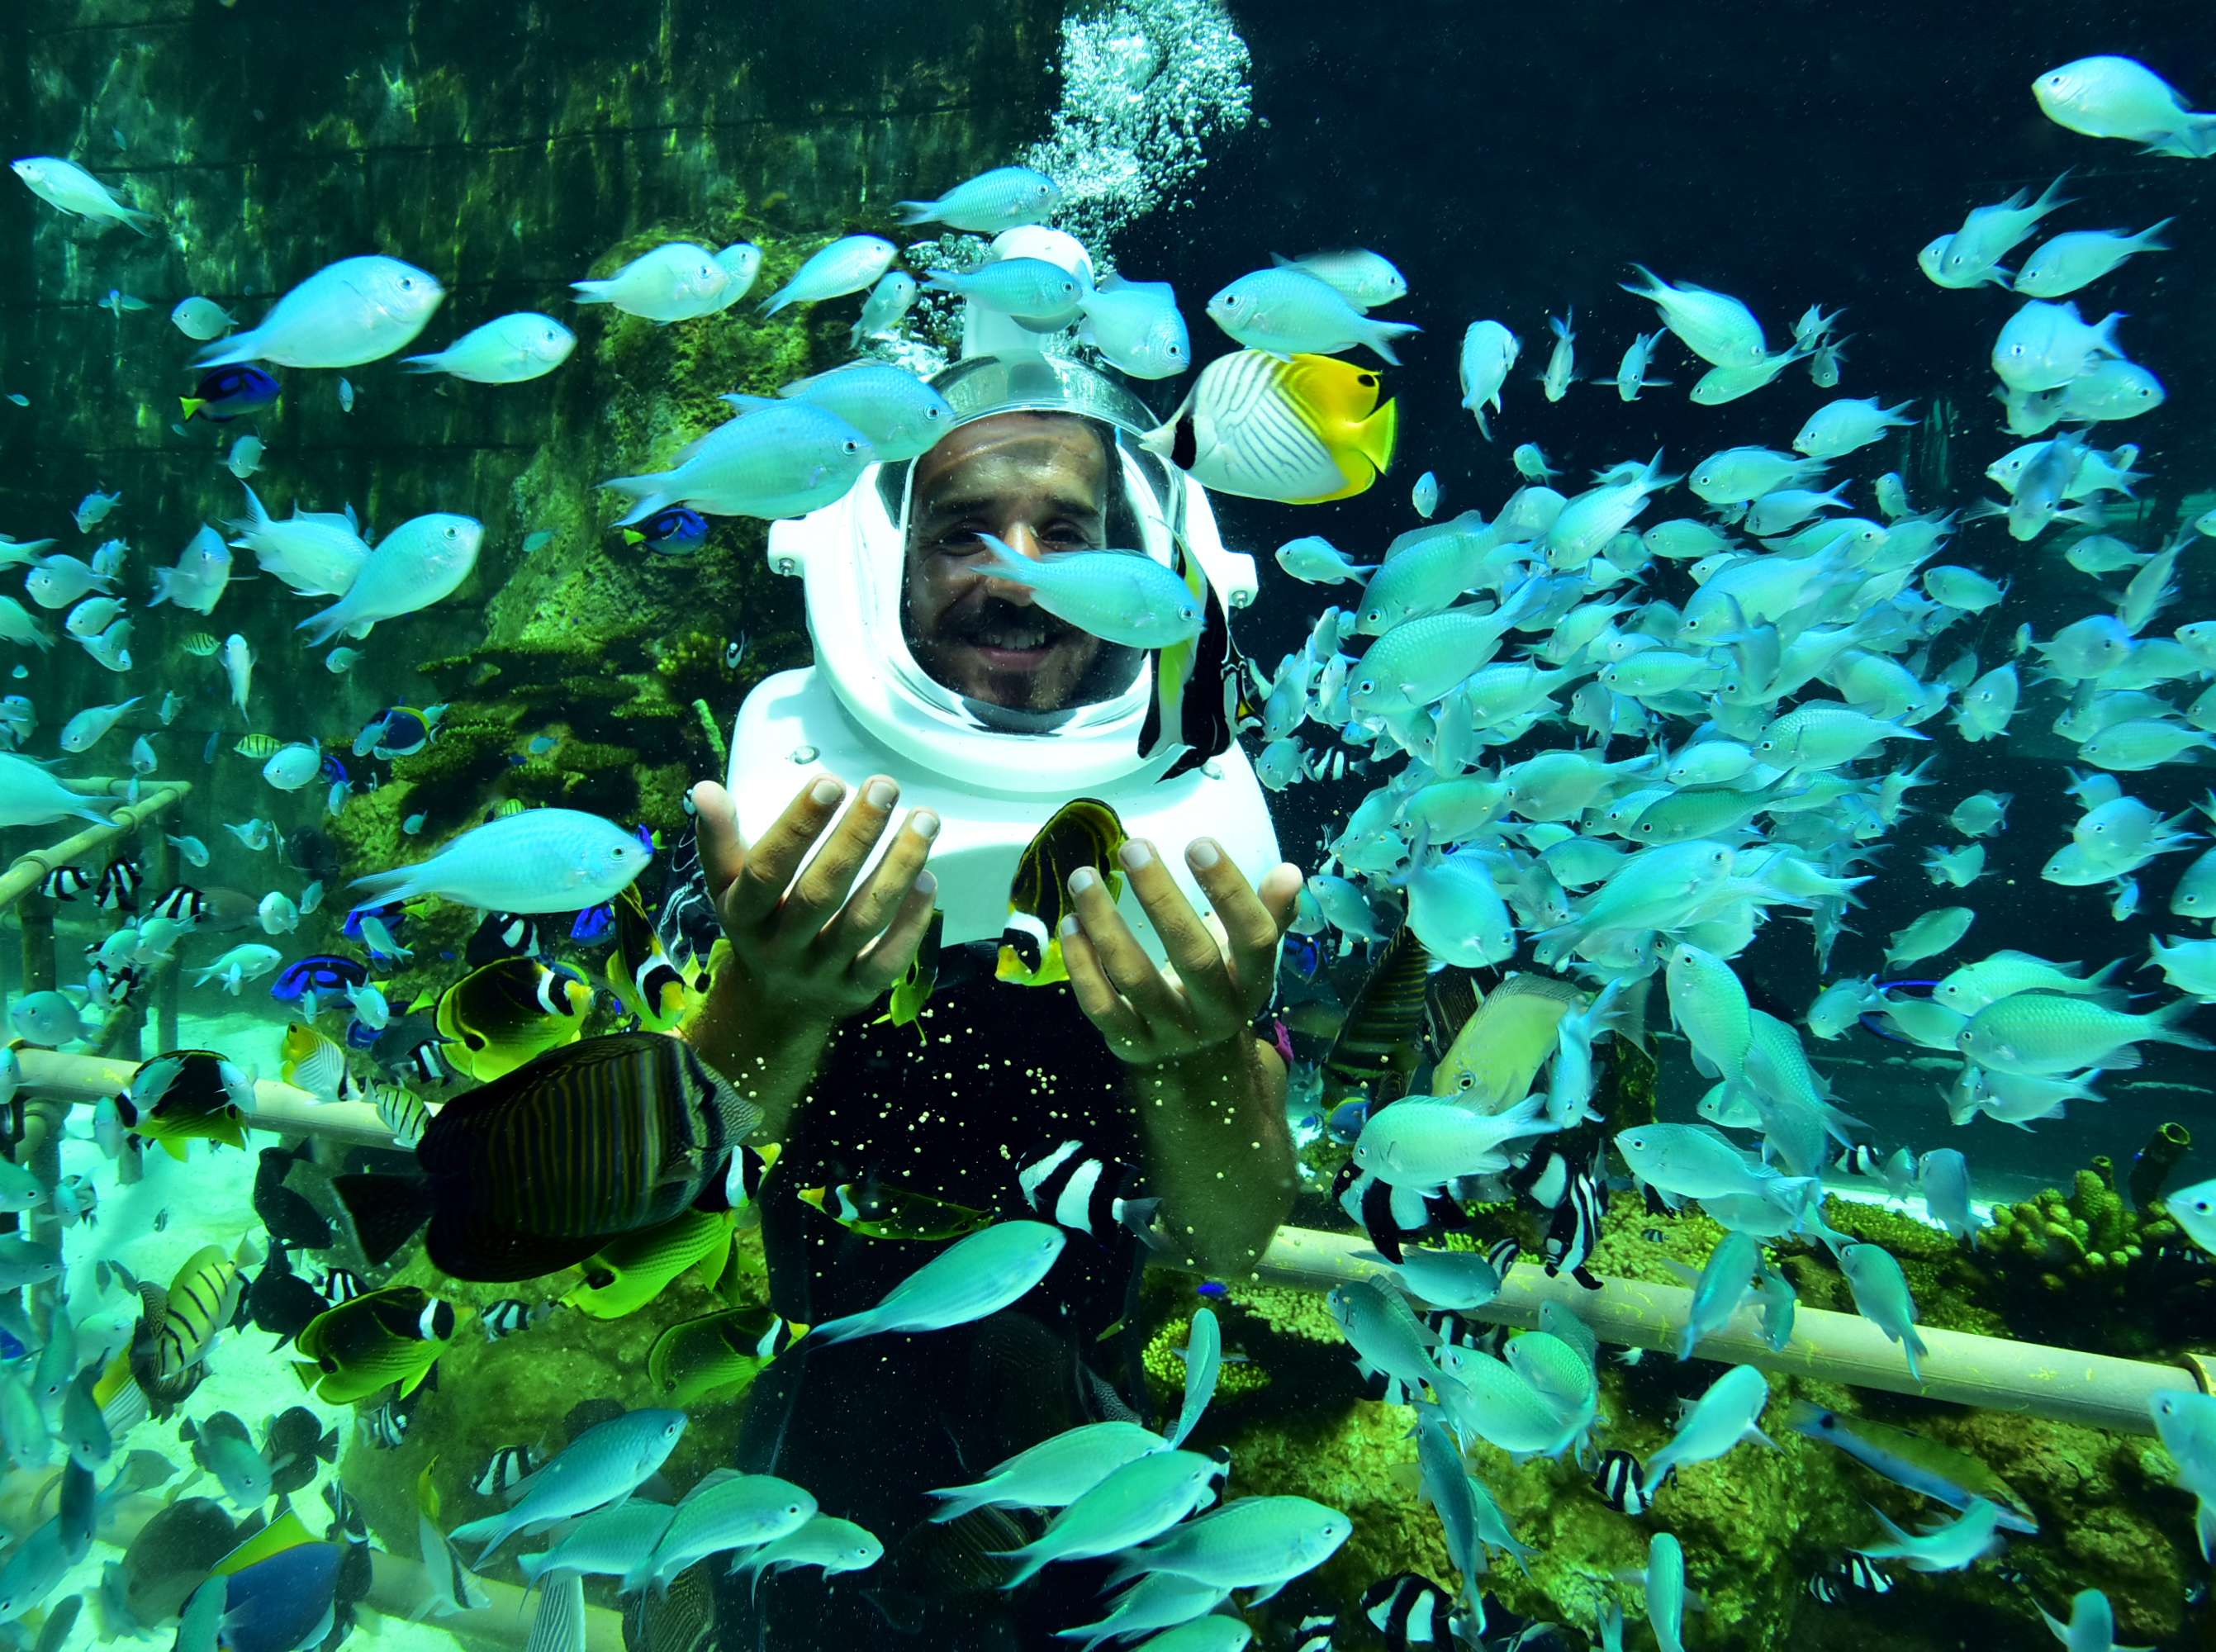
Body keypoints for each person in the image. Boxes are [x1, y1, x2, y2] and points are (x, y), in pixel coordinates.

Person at [681, 342, 1303, 1647]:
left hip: (1086, 1451)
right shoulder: (788, 819)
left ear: (1148, 570)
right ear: (884, 566)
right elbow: (681, 1166)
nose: (1019, 570)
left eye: (1067, 533)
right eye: (964, 530)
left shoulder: (1195, 829)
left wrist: (1201, 1054)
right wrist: (771, 994)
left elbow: (1234, 1235)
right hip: (819, 1459)